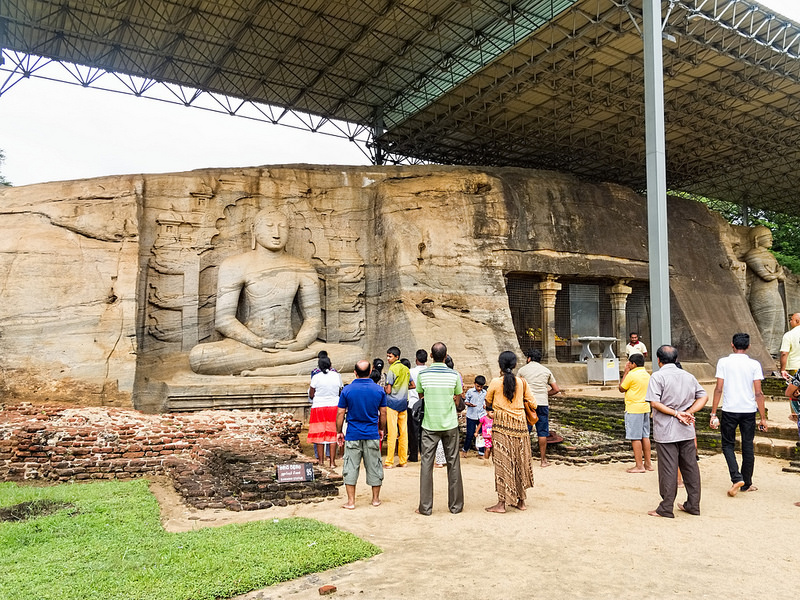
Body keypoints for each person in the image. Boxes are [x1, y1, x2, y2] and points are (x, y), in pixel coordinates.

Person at [188, 207, 362, 375]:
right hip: (248, 346)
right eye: (269, 226)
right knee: (200, 357)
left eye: (283, 227)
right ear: (254, 230)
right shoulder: (235, 265)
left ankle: (274, 367)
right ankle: (287, 365)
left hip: (293, 346)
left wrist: (300, 342)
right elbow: (224, 320)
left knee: (357, 356)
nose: (277, 233)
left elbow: (313, 319)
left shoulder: (302, 267)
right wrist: (257, 342)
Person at [646, 345, 708, 518]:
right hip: (686, 429)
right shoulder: (688, 376)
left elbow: (654, 403)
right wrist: (689, 412)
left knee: (668, 469)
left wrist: (676, 413)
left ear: (659, 360)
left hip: (666, 430)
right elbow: (703, 396)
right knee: (690, 468)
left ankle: (666, 507)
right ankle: (693, 504)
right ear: (676, 359)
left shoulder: (658, 377)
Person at [709, 333, 767, 496]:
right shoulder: (754, 364)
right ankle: (746, 482)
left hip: (729, 409)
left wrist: (713, 412)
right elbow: (758, 393)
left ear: (732, 345)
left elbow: (719, 388)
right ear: (748, 346)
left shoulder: (724, 362)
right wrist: (762, 417)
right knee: (748, 445)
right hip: (748, 410)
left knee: (728, 444)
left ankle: (736, 477)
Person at [415, 342, 464, 515]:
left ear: (430, 355)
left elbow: (421, 396)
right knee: (453, 463)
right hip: (450, 423)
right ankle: (456, 506)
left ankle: (426, 507)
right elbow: (457, 397)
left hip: (429, 424)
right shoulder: (454, 375)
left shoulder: (423, 374)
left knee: (426, 465)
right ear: (445, 356)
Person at [484, 351, 535, 514]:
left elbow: (487, 402)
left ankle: (501, 503)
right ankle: (521, 501)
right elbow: (533, 403)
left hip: (501, 426)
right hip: (520, 426)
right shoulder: (522, 382)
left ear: (500, 365)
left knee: (503, 463)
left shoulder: (495, 382)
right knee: (520, 461)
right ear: (514, 365)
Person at [336, 360, 387, 510]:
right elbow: (383, 412)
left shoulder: (347, 390)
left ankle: (351, 501)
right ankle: (375, 499)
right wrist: (381, 429)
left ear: (355, 372)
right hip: (371, 433)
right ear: (371, 372)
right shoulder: (378, 390)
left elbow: (340, 412)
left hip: (353, 433)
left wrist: (339, 431)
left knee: (350, 466)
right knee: (374, 465)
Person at [744, 226, 786, 357]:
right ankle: (762, 354)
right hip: (762, 293)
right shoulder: (752, 254)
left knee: (779, 326)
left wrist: (777, 274)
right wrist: (778, 273)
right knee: (765, 327)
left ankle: (773, 354)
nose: (772, 240)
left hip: (774, 293)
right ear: (757, 239)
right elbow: (766, 276)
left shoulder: (771, 256)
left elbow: (782, 277)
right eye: (768, 237)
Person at [517, 349, 561, 467]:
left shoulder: (522, 370)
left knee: (526, 431)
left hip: (528, 404)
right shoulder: (546, 370)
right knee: (542, 432)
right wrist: (546, 394)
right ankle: (543, 460)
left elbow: (518, 386)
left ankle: (524, 460)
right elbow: (556, 389)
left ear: (529, 358)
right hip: (542, 403)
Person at [619, 353, 652, 473]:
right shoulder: (647, 374)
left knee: (635, 437)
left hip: (633, 408)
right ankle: (648, 463)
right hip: (645, 407)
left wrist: (626, 372)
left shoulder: (632, 375)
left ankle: (639, 465)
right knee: (645, 436)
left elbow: (621, 388)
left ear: (633, 364)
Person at [308, 355, 343, 467]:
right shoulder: (337, 376)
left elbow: (311, 394)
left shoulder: (316, 377)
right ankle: (332, 462)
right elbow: (340, 390)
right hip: (334, 406)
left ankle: (321, 461)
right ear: (330, 365)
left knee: (319, 434)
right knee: (333, 433)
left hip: (319, 407)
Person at [384, 346, 412, 468]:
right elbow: (413, 385)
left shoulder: (392, 370)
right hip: (403, 404)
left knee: (392, 433)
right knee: (403, 433)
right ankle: (403, 460)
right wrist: (403, 389)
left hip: (392, 404)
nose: (388, 358)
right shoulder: (406, 369)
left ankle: (389, 462)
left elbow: (389, 390)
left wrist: (385, 389)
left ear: (396, 357)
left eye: (390, 356)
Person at [407, 349, 428, 462]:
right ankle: (425, 454)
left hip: (413, 404)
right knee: (425, 431)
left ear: (416, 359)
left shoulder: (410, 372)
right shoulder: (429, 371)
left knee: (413, 432)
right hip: (427, 404)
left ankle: (414, 455)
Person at [462, 375, 487, 457]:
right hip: (471, 416)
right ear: (474, 384)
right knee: (469, 434)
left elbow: (486, 402)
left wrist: (485, 406)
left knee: (481, 434)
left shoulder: (484, 393)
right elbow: (466, 401)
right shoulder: (470, 391)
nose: (479, 388)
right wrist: (469, 404)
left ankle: (481, 452)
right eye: (478, 386)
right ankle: (465, 450)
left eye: (481, 387)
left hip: (481, 416)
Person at [780, 312, 800, 379]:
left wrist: (783, 369)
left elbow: (784, 353)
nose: (790, 322)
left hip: (795, 368)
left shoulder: (789, 335)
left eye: (791, 320)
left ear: (797, 321)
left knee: (795, 388)